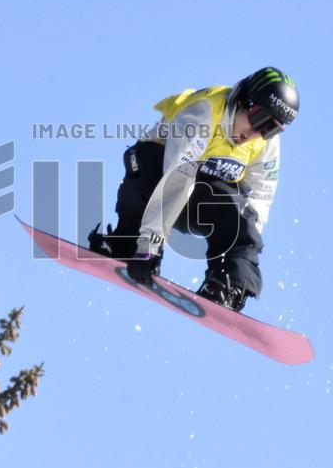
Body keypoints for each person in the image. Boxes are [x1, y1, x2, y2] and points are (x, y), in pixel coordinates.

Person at [87, 67, 300, 312]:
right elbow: (176, 177)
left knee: (240, 210)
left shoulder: (265, 142)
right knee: (148, 163)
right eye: (259, 119)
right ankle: (128, 240)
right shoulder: (203, 113)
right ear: (243, 99)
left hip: (200, 199)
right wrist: (150, 246)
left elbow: (261, 198)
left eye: (270, 128)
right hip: (160, 182)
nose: (256, 133)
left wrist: (241, 246)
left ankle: (227, 283)